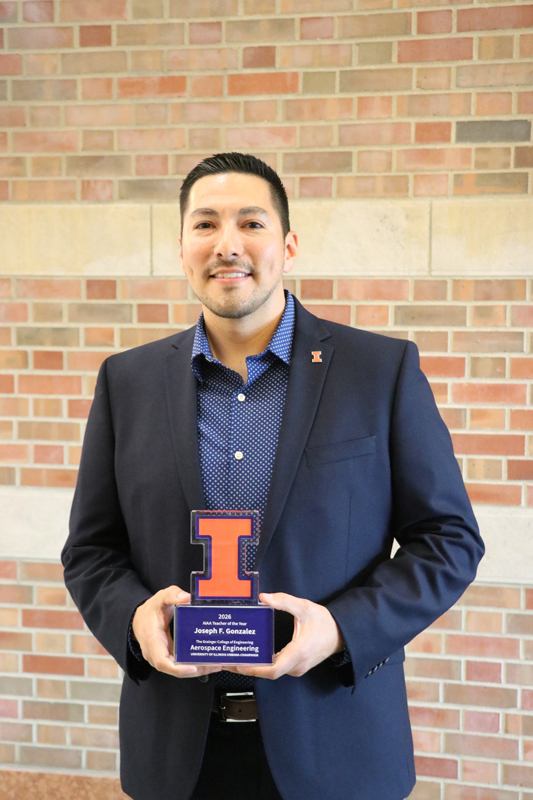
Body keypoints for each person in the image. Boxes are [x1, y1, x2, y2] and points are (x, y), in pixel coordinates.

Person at [62, 152, 484, 800]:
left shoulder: (379, 371)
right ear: (181, 248)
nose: (226, 245)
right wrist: (133, 618)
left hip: (336, 743)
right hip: (178, 755)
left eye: (251, 223)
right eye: (205, 224)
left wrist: (340, 629)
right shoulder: (127, 382)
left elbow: (448, 541)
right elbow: (91, 551)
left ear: (287, 245)